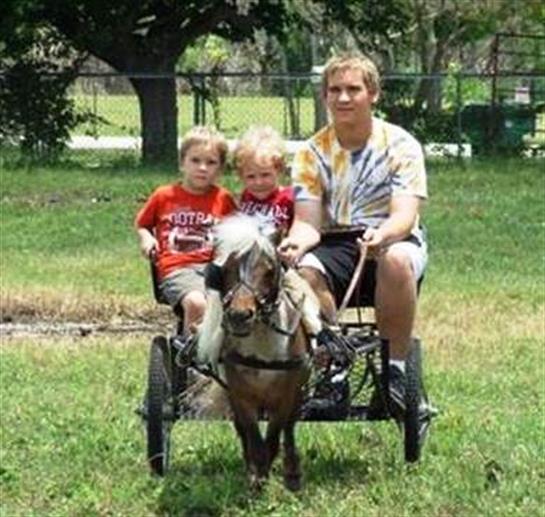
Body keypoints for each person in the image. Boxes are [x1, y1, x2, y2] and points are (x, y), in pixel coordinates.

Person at [278, 52, 428, 415]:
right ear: (324, 96)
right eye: (334, 90)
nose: (343, 98)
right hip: (335, 242)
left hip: (393, 239)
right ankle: (334, 367)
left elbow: (405, 215)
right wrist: (294, 244)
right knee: (305, 272)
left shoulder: (401, 145)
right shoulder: (311, 153)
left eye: (353, 89)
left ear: (372, 93)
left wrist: (383, 235)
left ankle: (394, 371)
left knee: (396, 260)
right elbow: (308, 222)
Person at [135, 126, 237, 337]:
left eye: (211, 162)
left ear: (220, 169)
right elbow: (143, 224)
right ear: (182, 163)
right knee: (197, 303)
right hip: (178, 267)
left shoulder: (223, 199)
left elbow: (237, 233)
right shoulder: (164, 196)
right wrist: (147, 239)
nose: (202, 168)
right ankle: (192, 350)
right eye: (195, 160)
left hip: (216, 268)